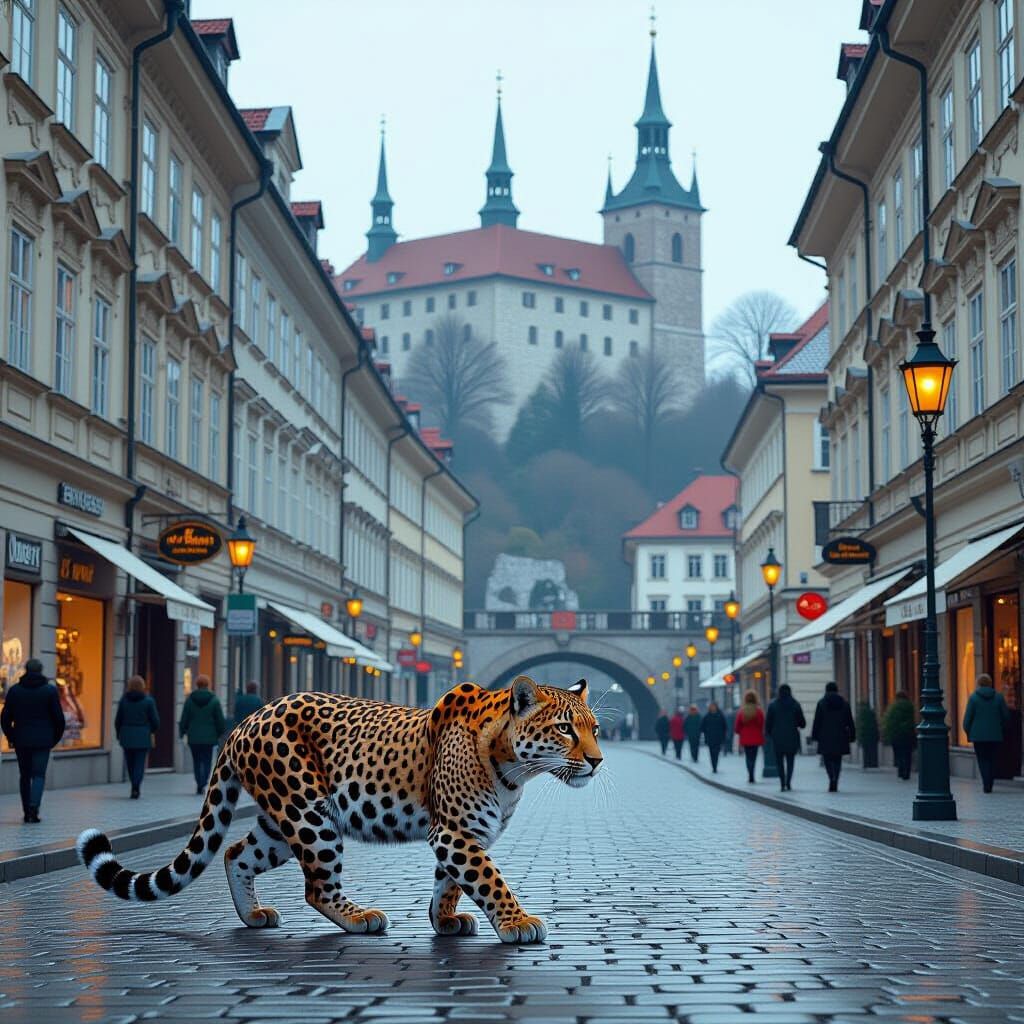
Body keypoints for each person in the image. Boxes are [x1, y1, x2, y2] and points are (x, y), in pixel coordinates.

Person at [0, 658, 66, 823]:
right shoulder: (49, 691)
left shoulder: (15, 691)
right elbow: (59, 719)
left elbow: (5, 718)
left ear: (26, 670)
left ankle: (26, 811)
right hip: (43, 740)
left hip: (22, 739)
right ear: (41, 670)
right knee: (38, 775)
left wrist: (11, 736)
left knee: (25, 775)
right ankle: (33, 808)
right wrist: (53, 738)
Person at [962, 673, 1010, 794]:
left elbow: (967, 720)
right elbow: (1006, 716)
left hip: (978, 736)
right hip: (995, 735)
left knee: (982, 759)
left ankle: (986, 784)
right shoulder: (998, 697)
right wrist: (1001, 729)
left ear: (978, 683)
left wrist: (969, 732)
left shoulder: (973, 698)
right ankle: (990, 782)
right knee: (993, 759)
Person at [178, 675, 226, 794]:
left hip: (193, 736)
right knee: (207, 760)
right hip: (210, 737)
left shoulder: (190, 700)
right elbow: (219, 719)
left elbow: (184, 718)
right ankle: (203, 782)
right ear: (208, 685)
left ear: (197, 685)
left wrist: (182, 731)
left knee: (197, 760)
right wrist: (220, 732)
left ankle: (199, 782)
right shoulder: (214, 700)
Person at [115, 675, 160, 799]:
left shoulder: (124, 700)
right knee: (139, 763)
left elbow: (118, 719)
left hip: (127, 736)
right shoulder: (148, 701)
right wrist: (151, 730)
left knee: (130, 763)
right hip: (143, 736)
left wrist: (119, 733)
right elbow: (155, 720)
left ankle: (133, 783)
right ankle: (136, 786)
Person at [811, 681, 856, 792]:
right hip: (840, 735)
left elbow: (817, 721)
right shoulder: (844, 704)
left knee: (827, 759)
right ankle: (836, 778)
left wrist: (814, 736)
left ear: (826, 690)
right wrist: (852, 735)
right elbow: (850, 721)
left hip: (825, 736)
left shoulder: (821, 703)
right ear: (836, 690)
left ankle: (831, 777)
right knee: (837, 759)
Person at [765, 683, 806, 792]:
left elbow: (768, 723)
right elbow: (802, 723)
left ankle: (782, 783)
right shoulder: (795, 704)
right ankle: (788, 782)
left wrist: (768, 734)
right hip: (792, 737)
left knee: (779, 762)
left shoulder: (773, 705)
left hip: (777, 738)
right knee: (790, 760)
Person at [881, 690, 916, 780]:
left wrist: (888, 734)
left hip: (897, 735)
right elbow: (912, 721)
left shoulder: (893, 707)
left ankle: (901, 771)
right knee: (907, 754)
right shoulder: (910, 706)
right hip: (908, 735)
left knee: (899, 754)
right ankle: (906, 772)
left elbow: (890, 723)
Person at [734, 690, 765, 783]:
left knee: (748, 757)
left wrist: (740, 732)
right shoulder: (758, 711)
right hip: (756, 737)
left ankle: (750, 774)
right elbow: (761, 724)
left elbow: (737, 727)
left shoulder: (742, 712)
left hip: (745, 737)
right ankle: (752, 774)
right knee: (754, 757)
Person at [700, 701, 727, 772]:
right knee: (711, 753)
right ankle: (713, 766)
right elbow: (702, 727)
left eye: (714, 706)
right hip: (710, 738)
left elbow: (724, 726)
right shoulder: (707, 716)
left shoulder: (720, 715)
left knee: (717, 753)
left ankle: (715, 765)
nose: (713, 708)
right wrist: (706, 733)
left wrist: (723, 736)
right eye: (711, 706)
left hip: (718, 738)